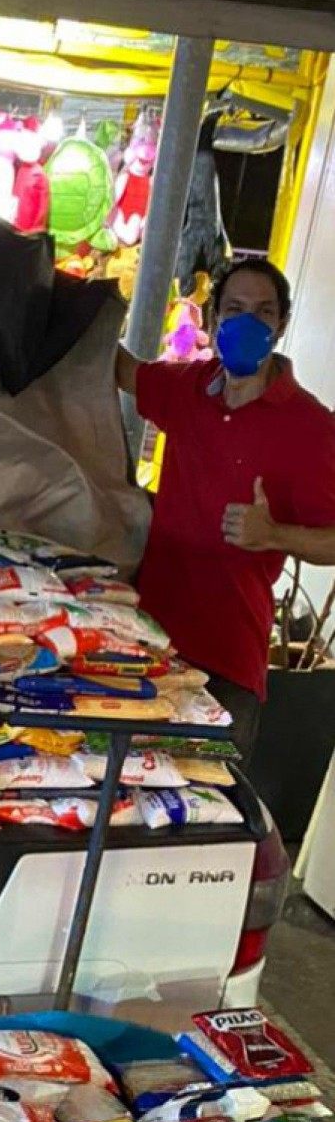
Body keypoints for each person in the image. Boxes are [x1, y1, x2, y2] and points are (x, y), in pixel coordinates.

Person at [118, 256, 335, 757]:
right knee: (127, 798)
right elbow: (123, 371)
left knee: (215, 819)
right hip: (149, 645)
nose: (246, 323)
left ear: (281, 324)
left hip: (226, 663)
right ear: (213, 320)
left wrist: (275, 535)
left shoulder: (310, 427)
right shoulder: (188, 389)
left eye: (262, 312)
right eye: (234, 308)